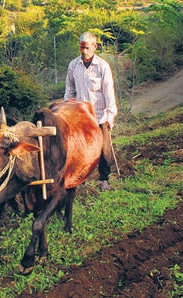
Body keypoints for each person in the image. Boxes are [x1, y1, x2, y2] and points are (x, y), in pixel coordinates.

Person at [64, 31, 118, 191]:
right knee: (79, 150)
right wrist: (67, 110)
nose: (84, 51)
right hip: (80, 117)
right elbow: (69, 90)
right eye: (82, 48)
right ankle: (81, 178)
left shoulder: (102, 67)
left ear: (94, 47)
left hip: (100, 116)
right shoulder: (73, 65)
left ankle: (104, 179)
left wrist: (110, 117)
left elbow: (109, 94)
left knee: (104, 149)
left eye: (87, 48)